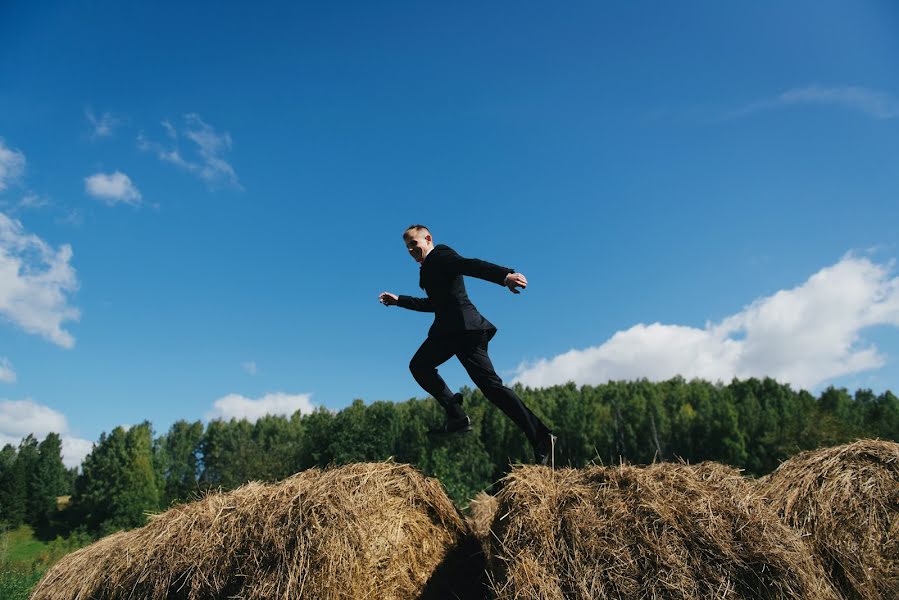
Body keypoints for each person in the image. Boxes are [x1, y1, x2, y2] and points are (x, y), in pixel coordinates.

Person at [379, 224, 556, 465]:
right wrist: (400, 301)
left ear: (427, 238)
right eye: (408, 247)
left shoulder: (441, 254)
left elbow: (470, 265)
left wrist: (504, 276)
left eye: (414, 243)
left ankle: (462, 417)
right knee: (488, 387)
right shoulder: (428, 269)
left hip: (462, 329)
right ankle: (538, 436)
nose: (411, 250)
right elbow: (434, 304)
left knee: (423, 367)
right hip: (458, 331)